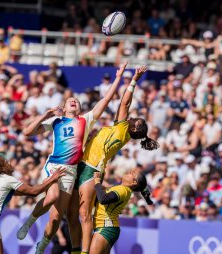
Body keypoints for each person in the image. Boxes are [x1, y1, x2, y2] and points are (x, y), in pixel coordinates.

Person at [16, 63, 128, 254]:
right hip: (54, 165)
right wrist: (45, 114)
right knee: (52, 196)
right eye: (70, 101)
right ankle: (29, 222)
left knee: (56, 218)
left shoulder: (85, 120)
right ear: (65, 107)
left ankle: (41, 245)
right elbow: (27, 132)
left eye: (76, 100)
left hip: (70, 171)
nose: (74, 101)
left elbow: (107, 99)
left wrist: (118, 77)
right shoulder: (56, 121)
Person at [67, 66, 159, 254]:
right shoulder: (122, 129)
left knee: (84, 214)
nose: (135, 117)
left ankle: (82, 252)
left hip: (91, 169)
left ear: (133, 129)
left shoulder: (122, 129)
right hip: (81, 163)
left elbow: (125, 102)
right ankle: (76, 249)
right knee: (72, 213)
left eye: (138, 121)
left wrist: (134, 80)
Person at [0, 151, 65, 254]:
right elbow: (34, 192)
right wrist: (53, 178)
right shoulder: (6, 179)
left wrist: (47, 186)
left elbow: (28, 193)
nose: (9, 162)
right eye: (5, 162)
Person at [89, 169, 153, 254]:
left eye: (132, 173)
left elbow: (103, 199)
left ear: (134, 182)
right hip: (108, 228)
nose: (129, 172)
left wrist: (97, 182)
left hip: (105, 227)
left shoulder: (123, 190)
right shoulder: (124, 190)